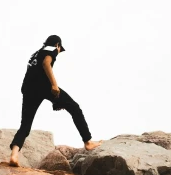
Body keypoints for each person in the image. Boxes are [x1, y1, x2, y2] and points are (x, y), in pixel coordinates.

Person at [9, 35, 102, 166]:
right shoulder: (51, 48)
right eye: (60, 48)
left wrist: (55, 101)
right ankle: (88, 141)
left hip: (28, 88)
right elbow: (46, 63)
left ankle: (14, 154)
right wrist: (54, 85)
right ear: (57, 45)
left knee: (25, 124)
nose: (59, 51)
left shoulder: (36, 53)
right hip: (43, 86)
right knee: (75, 108)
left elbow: (36, 71)